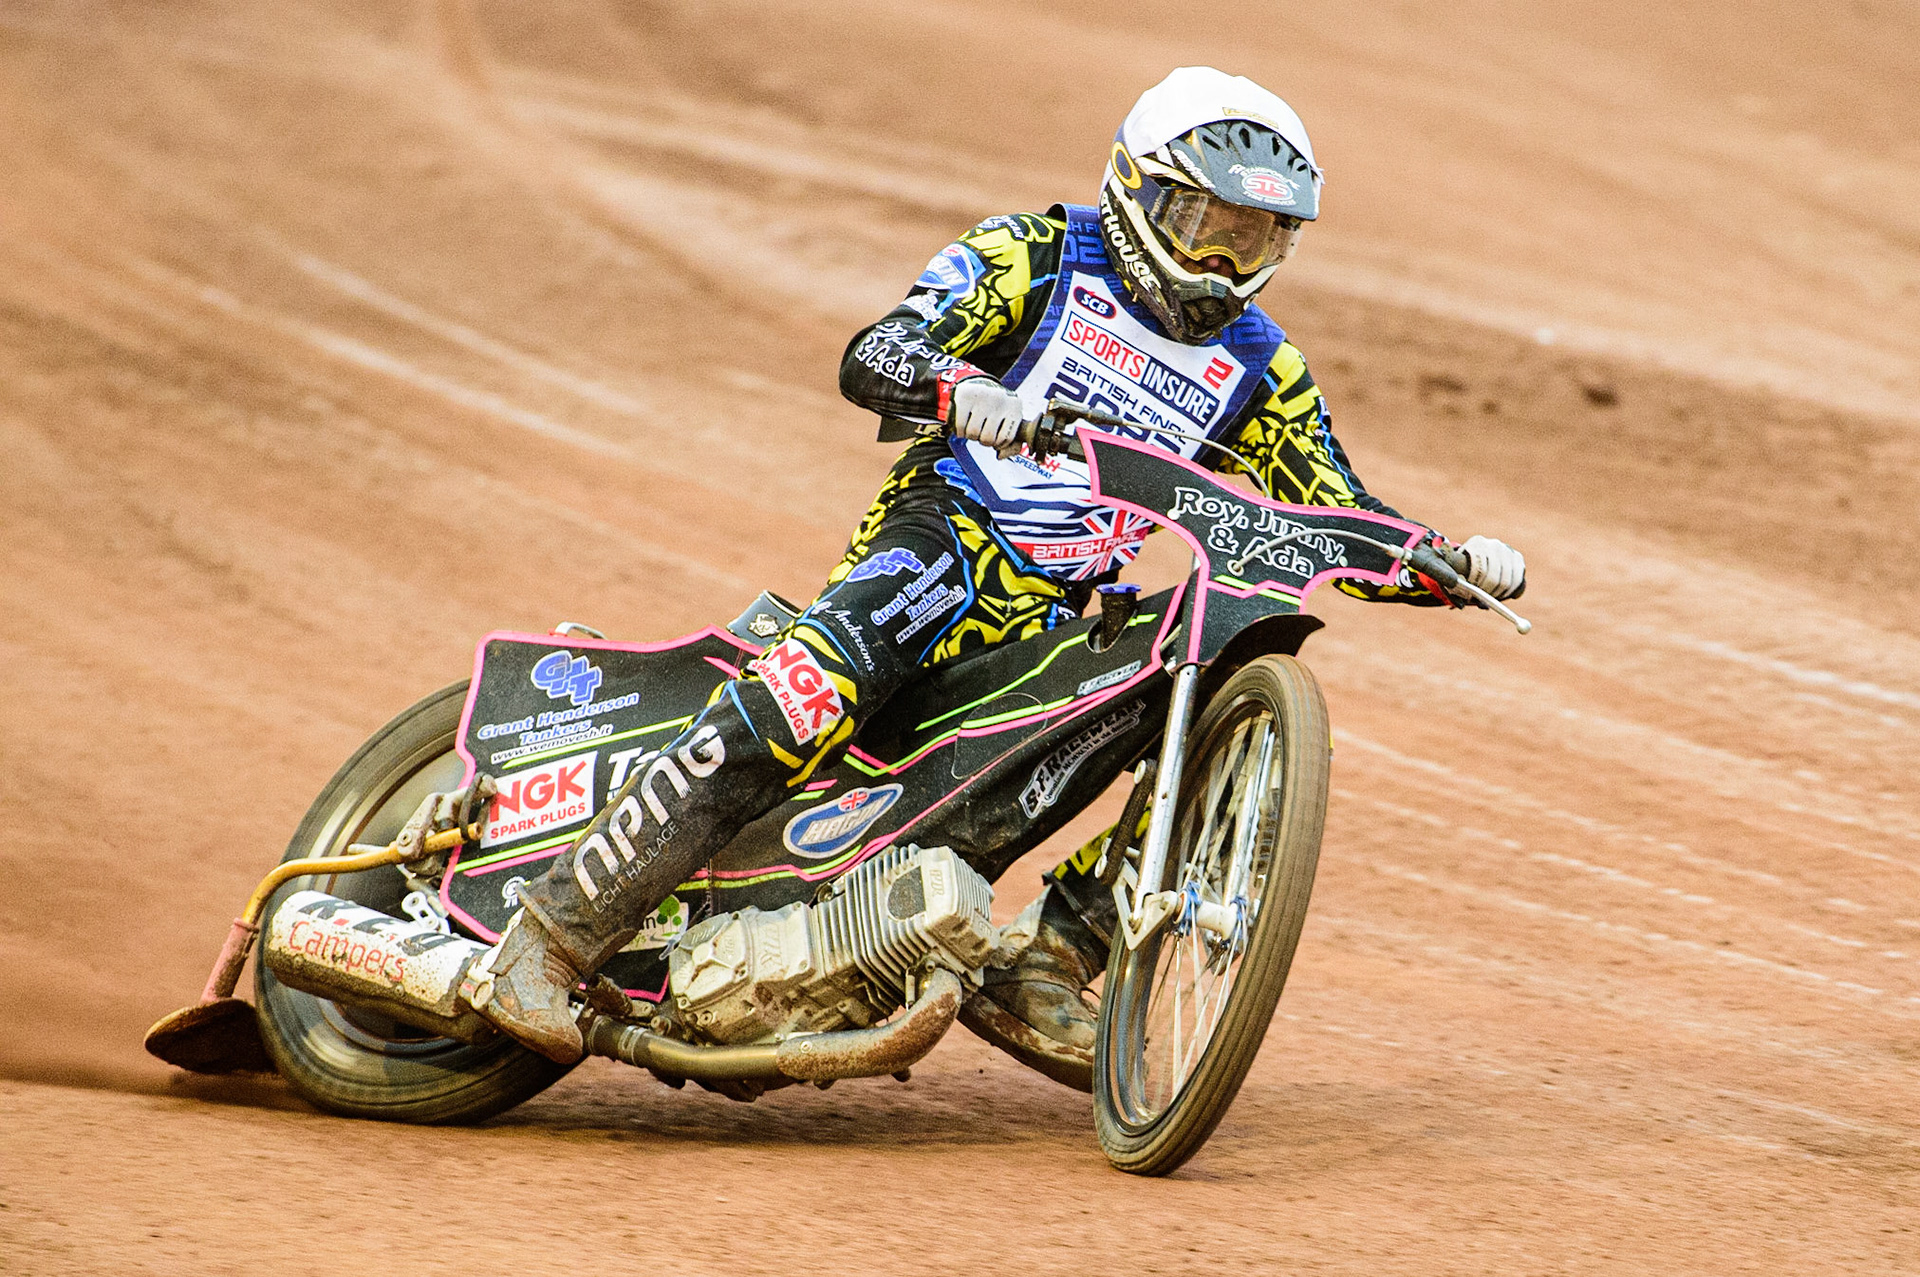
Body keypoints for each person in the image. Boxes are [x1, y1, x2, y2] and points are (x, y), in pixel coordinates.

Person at [463, 66, 1527, 1082]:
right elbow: (877, 352)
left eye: (1253, 237)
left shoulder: (1263, 368)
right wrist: (957, 388)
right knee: (812, 693)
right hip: (946, 535)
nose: (1221, 262)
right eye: (1206, 225)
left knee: (1199, 669)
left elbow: (1336, 513)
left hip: (1064, 608)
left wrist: (1443, 559)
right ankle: (552, 939)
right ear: (1139, 189)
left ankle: (1051, 956)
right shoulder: (1036, 256)